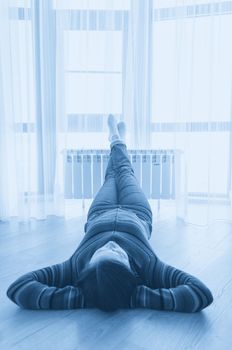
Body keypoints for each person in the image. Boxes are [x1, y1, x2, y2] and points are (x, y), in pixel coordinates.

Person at [6, 115, 213, 312]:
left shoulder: (76, 266)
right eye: (118, 256)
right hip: (136, 211)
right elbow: (200, 293)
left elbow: (18, 288)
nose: (112, 245)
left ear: (88, 268)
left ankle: (116, 137)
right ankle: (116, 138)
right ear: (131, 273)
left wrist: (87, 296)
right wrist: (133, 297)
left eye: (102, 254)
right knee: (124, 170)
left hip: (100, 212)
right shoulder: (148, 266)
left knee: (110, 176)